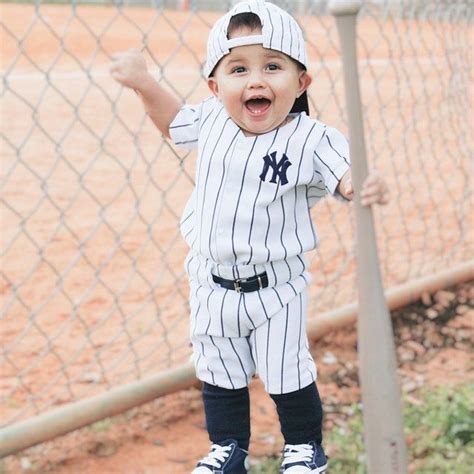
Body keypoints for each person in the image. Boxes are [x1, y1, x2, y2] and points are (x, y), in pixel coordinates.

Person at [111, 1, 389, 472]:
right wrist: (144, 82)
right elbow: (173, 124)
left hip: (276, 285)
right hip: (210, 279)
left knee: (285, 370)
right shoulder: (213, 120)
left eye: (273, 66)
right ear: (216, 87)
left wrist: (363, 182)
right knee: (217, 369)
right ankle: (228, 448)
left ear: (301, 83)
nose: (256, 80)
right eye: (239, 69)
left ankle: (303, 447)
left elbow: (346, 173)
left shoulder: (311, 138)